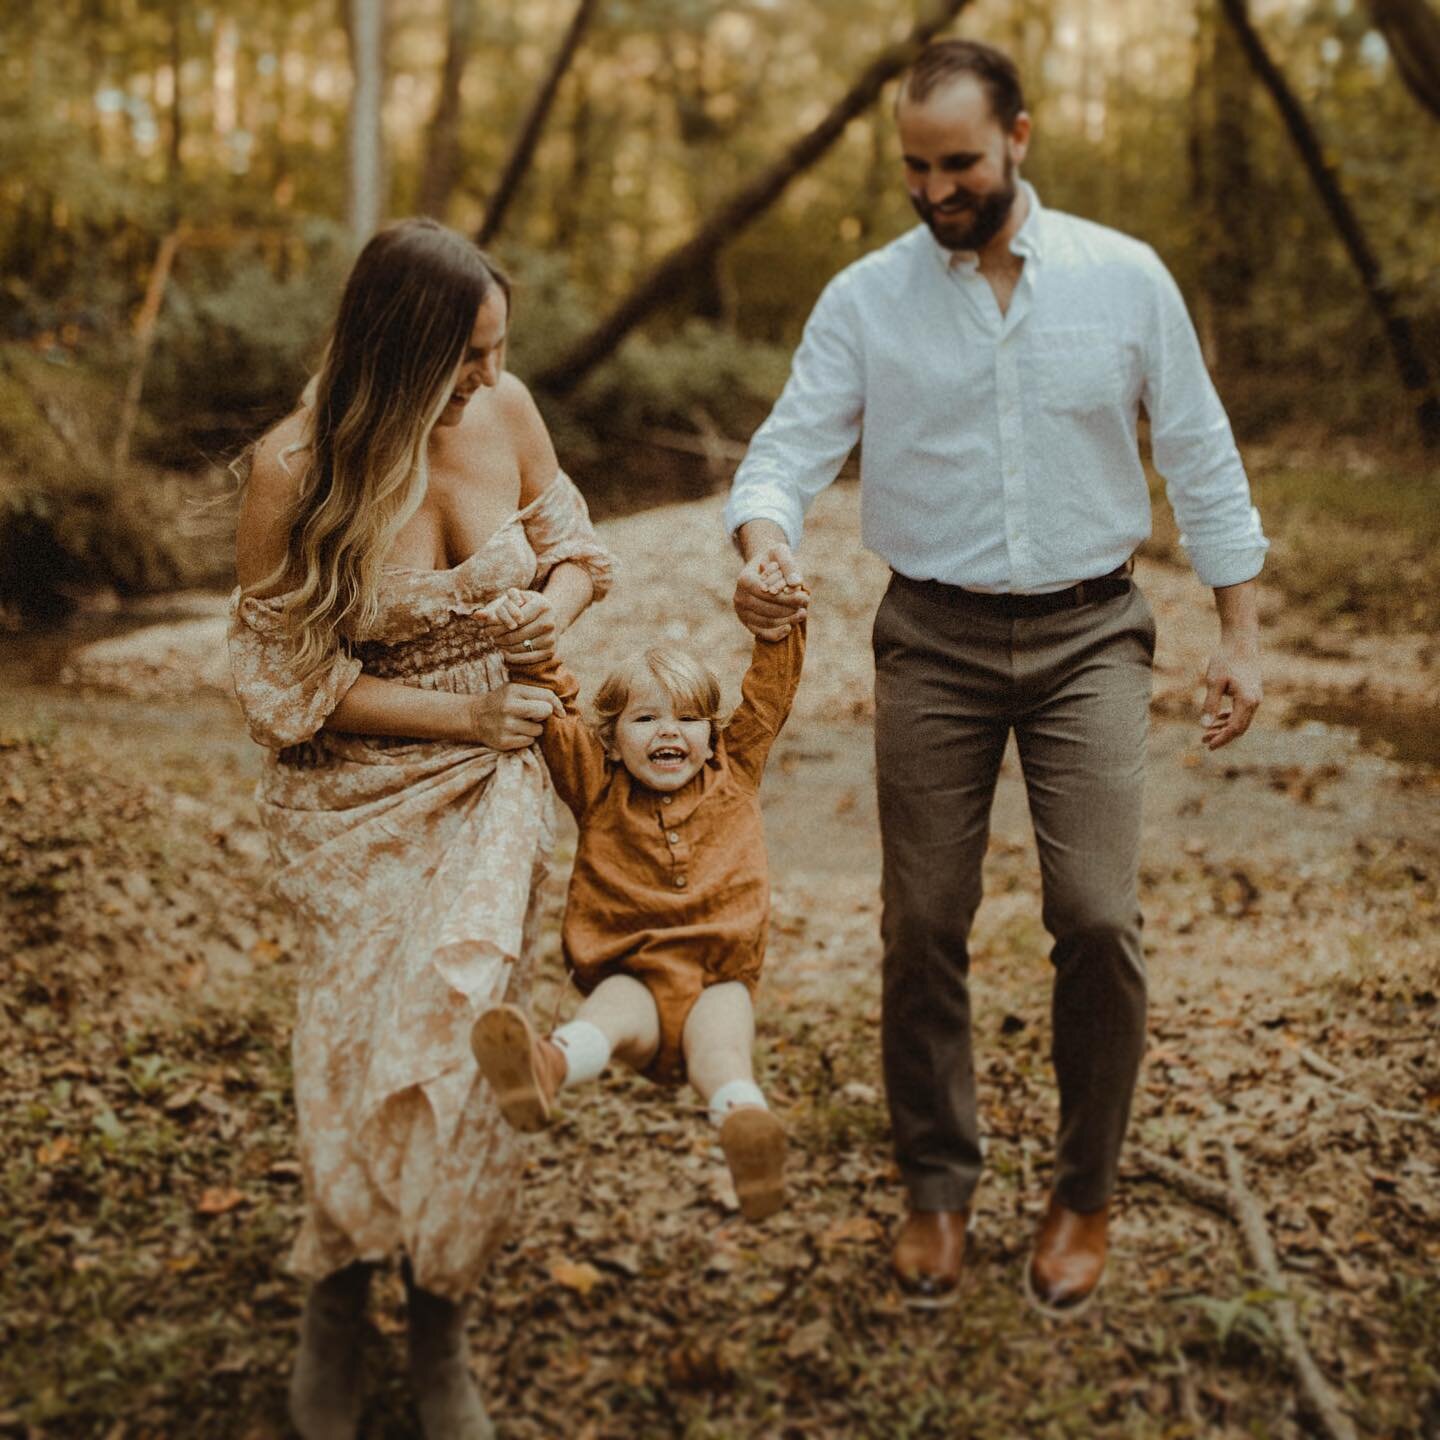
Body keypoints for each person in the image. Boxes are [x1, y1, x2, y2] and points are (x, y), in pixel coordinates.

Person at [725, 38, 1267, 1315]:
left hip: (1093, 634)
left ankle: (1086, 1188)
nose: (934, 187)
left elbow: (1200, 453)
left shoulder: (1125, 279)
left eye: (958, 161)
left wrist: (1239, 634)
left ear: (1019, 135)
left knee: (1094, 916)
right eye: (914, 165)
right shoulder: (866, 297)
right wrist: (763, 544)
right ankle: (937, 1183)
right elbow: (786, 450)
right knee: (921, 924)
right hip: (932, 638)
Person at [228, 218, 612, 1439]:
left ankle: (439, 1310)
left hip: (498, 783)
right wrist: (464, 714)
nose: (490, 379)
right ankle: (338, 1292)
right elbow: (287, 684)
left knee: (469, 1044)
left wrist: (545, 615)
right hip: (355, 790)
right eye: (467, 357)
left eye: (499, 351)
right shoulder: (291, 471)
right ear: (398, 354)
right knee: (352, 1056)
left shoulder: (505, 413)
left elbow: (572, 542)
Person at [469, 570, 806, 1222]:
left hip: (718, 976)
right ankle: (545, 1068)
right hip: (636, 977)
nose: (668, 732)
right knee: (605, 1018)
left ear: (712, 734)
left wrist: (778, 623)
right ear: (613, 742)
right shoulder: (596, 787)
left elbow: (770, 693)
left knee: (723, 1054)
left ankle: (748, 1133)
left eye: (687, 719)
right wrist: (530, 647)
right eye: (645, 719)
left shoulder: (735, 771)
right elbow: (559, 706)